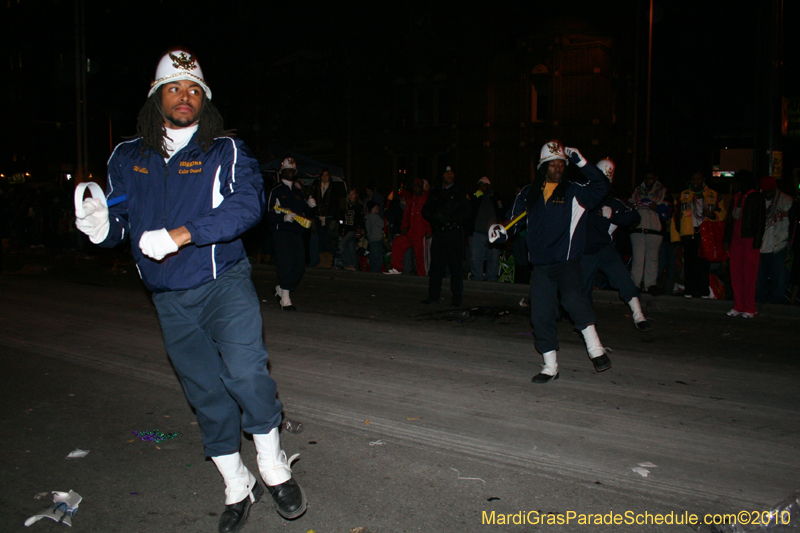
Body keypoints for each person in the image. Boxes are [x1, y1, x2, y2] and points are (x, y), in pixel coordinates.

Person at [74, 50, 307, 532]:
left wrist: (183, 234)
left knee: (246, 372)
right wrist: (101, 228)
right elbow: (122, 223)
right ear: (157, 96)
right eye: (175, 88)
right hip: (168, 297)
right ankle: (236, 484)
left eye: (194, 89)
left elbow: (246, 207)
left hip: (223, 283)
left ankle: (271, 463)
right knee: (205, 393)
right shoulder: (126, 156)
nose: (185, 97)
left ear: (206, 100)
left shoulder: (226, 150)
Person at [490, 141, 611, 384]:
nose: (557, 168)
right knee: (541, 315)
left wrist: (582, 162)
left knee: (573, 301)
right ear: (542, 166)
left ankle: (596, 350)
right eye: (552, 164)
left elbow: (602, 186)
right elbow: (514, 221)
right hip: (542, 267)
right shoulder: (529, 193)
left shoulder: (576, 191)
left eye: (561, 164)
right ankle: (550, 366)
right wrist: (501, 231)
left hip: (567, 263)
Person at [582, 159, 651, 331]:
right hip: (583, 252)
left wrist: (614, 216)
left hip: (605, 250)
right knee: (582, 289)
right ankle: (587, 325)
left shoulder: (613, 202)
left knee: (624, 280)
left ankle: (638, 315)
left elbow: (634, 217)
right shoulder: (582, 197)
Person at [267, 158, 314, 310]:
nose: (291, 172)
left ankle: (282, 288)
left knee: (299, 266)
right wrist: (282, 217)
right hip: (282, 232)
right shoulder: (276, 191)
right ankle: (285, 299)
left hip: (296, 233)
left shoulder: (299, 192)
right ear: (282, 172)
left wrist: (310, 207)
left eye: (293, 170)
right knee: (286, 265)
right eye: (288, 169)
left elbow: (305, 214)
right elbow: (267, 214)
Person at [422, 166, 472, 307]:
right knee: (436, 267)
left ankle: (456, 299)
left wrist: (451, 219)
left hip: (454, 233)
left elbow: (467, 212)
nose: (450, 174)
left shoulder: (460, 191)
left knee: (455, 268)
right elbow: (425, 210)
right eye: (446, 172)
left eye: (452, 172)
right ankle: (433, 296)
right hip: (439, 233)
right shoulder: (435, 191)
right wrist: (436, 218)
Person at [672, 171, 726, 299]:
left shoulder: (713, 195)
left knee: (704, 264)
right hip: (689, 233)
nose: (695, 182)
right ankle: (689, 291)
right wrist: (675, 239)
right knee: (690, 263)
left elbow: (723, 214)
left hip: (706, 233)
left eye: (698, 179)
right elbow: (675, 217)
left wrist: (712, 215)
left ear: (703, 179)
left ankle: (703, 292)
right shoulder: (684, 195)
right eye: (693, 179)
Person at [723, 171, 765, 318]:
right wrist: (727, 239)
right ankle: (738, 305)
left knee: (749, 275)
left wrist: (757, 241)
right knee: (735, 273)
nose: (734, 185)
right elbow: (730, 220)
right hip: (736, 240)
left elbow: (760, 221)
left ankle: (750, 307)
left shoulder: (756, 197)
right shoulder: (737, 197)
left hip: (749, 239)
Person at [629, 169, 671, 294]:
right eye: (647, 178)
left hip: (655, 229)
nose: (649, 181)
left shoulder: (664, 192)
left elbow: (669, 211)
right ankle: (634, 284)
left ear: (656, 178)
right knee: (637, 257)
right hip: (637, 228)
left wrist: (657, 208)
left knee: (652, 258)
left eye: (651, 178)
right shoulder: (636, 191)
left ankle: (650, 284)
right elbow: (627, 205)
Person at [756, 176, 792, 303]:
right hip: (761, 247)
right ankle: (760, 302)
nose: (768, 194)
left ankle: (777, 304)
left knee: (779, 279)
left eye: (770, 191)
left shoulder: (786, 201)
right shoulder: (757, 200)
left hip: (780, 245)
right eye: (765, 192)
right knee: (759, 279)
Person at [385, 178, 431, 275]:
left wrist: (429, 230)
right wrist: (404, 227)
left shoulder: (427, 198)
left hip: (422, 233)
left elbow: (431, 215)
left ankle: (423, 276)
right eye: (415, 186)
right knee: (398, 242)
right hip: (412, 232)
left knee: (421, 256)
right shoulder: (411, 199)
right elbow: (406, 215)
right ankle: (397, 268)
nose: (416, 188)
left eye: (418, 186)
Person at [469, 176, 504, 281]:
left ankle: (492, 279)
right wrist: (476, 196)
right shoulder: (475, 196)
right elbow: (469, 209)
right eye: (481, 184)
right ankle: (477, 278)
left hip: (493, 233)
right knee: (476, 258)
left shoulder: (495, 197)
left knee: (493, 258)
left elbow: (501, 211)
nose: (484, 186)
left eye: (486, 184)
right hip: (477, 232)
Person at [310, 168, 340, 269]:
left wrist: (335, 219)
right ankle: (322, 261)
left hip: (329, 217)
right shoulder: (317, 188)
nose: (325, 177)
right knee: (321, 240)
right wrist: (313, 217)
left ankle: (329, 262)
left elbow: (336, 204)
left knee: (328, 240)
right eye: (323, 175)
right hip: (319, 217)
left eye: (326, 175)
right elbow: (313, 203)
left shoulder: (333, 188)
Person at [339, 187, 363, 271]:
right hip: (348, 229)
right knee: (352, 250)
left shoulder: (358, 206)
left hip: (353, 229)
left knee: (343, 244)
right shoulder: (348, 206)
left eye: (353, 194)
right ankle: (355, 267)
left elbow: (359, 219)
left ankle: (348, 264)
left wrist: (359, 229)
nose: (351, 196)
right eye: (350, 194)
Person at [364, 200, 384, 272]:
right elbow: (383, 224)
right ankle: (377, 271)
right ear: (372, 208)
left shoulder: (367, 217)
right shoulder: (376, 217)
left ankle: (372, 270)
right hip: (377, 239)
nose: (378, 208)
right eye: (376, 207)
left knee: (373, 256)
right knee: (378, 257)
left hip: (371, 239)